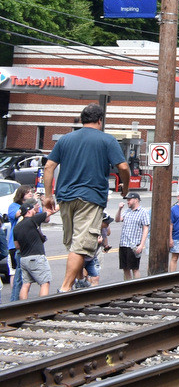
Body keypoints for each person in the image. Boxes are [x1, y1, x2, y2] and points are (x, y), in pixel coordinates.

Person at [41, 103, 130, 293]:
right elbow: (123, 167)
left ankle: (80, 280)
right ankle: (65, 289)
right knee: (81, 245)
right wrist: (125, 187)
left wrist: (48, 196)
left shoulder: (65, 140)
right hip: (90, 199)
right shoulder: (107, 140)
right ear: (100, 121)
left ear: (82, 120)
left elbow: (48, 167)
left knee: (73, 242)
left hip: (65, 198)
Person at [14, 199, 51, 299]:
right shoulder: (33, 220)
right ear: (29, 211)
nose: (35, 211)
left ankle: (24, 307)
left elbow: (17, 246)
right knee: (44, 283)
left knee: (26, 284)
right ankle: (42, 307)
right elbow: (50, 212)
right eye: (33, 210)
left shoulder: (16, 227)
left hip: (24, 259)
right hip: (36, 257)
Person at [6, 185, 35, 302]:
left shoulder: (32, 206)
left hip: (28, 245)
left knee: (24, 276)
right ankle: (15, 299)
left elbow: (44, 217)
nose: (30, 194)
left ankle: (20, 298)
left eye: (31, 192)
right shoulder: (14, 206)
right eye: (28, 192)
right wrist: (28, 205)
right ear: (21, 194)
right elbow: (15, 214)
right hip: (15, 245)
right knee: (15, 274)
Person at [116, 192, 149, 280]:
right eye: (127, 200)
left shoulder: (143, 212)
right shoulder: (127, 211)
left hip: (134, 245)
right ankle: (127, 287)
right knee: (125, 268)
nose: (128, 202)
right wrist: (119, 209)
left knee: (134, 268)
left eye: (129, 200)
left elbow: (146, 228)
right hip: (123, 243)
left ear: (136, 200)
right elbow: (117, 219)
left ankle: (137, 287)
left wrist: (142, 245)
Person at [74, 214, 112, 290]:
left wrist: (105, 246)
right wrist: (96, 243)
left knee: (96, 277)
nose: (108, 224)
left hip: (92, 257)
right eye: (106, 222)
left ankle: (92, 294)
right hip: (83, 256)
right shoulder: (90, 228)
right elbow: (83, 243)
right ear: (100, 222)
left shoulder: (104, 228)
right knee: (82, 277)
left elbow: (106, 236)